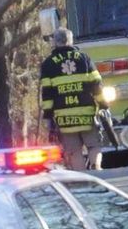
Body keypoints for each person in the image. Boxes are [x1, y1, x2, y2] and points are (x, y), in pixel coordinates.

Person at [40, 27, 104, 170]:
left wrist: (49, 117)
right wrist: (103, 105)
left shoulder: (48, 64)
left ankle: (82, 175)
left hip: (64, 118)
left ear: (55, 42)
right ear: (70, 40)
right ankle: (96, 166)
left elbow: (47, 94)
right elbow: (97, 84)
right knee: (94, 145)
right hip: (86, 114)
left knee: (74, 152)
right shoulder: (84, 58)